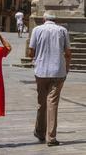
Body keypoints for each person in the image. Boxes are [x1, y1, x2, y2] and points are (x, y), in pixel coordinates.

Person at [28, 10, 71, 147]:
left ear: (43, 19)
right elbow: (68, 52)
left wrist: (36, 57)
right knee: (53, 104)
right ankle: (51, 137)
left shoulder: (37, 30)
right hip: (58, 71)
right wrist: (67, 67)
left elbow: (31, 52)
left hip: (40, 71)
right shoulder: (62, 30)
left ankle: (40, 132)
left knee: (41, 102)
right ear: (55, 20)